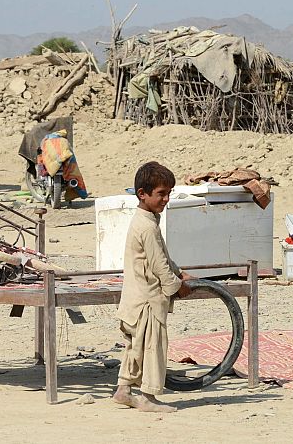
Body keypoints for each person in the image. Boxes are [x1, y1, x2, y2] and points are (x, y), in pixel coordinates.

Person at [113, 161, 194, 413]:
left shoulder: (146, 220)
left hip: (134, 299)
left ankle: (123, 391)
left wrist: (179, 271)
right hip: (147, 301)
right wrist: (177, 286)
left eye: (169, 193)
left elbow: (162, 255)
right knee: (152, 348)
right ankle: (148, 396)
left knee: (135, 347)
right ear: (143, 194)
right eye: (161, 193)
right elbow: (159, 266)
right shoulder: (147, 226)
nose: (166, 199)